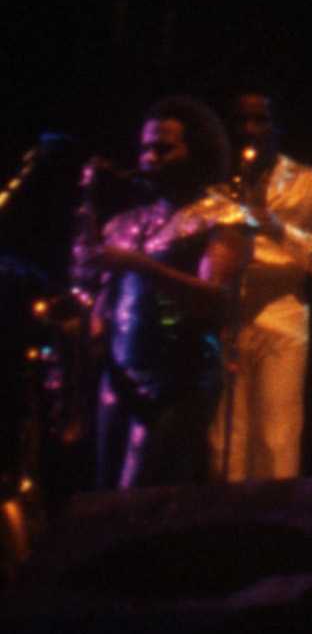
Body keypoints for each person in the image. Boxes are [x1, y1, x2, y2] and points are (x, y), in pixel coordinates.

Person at [78, 98, 250, 489]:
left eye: (164, 148)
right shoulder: (125, 223)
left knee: (143, 502)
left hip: (180, 382)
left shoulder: (224, 217)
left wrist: (138, 264)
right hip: (119, 379)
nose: (150, 157)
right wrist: (90, 321)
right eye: (145, 148)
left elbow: (217, 302)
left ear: (198, 152)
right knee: (106, 498)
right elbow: (104, 304)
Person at [209, 89, 312, 481]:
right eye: (241, 122)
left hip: (283, 321)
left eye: (260, 120)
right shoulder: (217, 189)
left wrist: (277, 228)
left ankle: (273, 537)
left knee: (277, 443)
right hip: (225, 324)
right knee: (225, 448)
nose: (250, 130)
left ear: (279, 126)